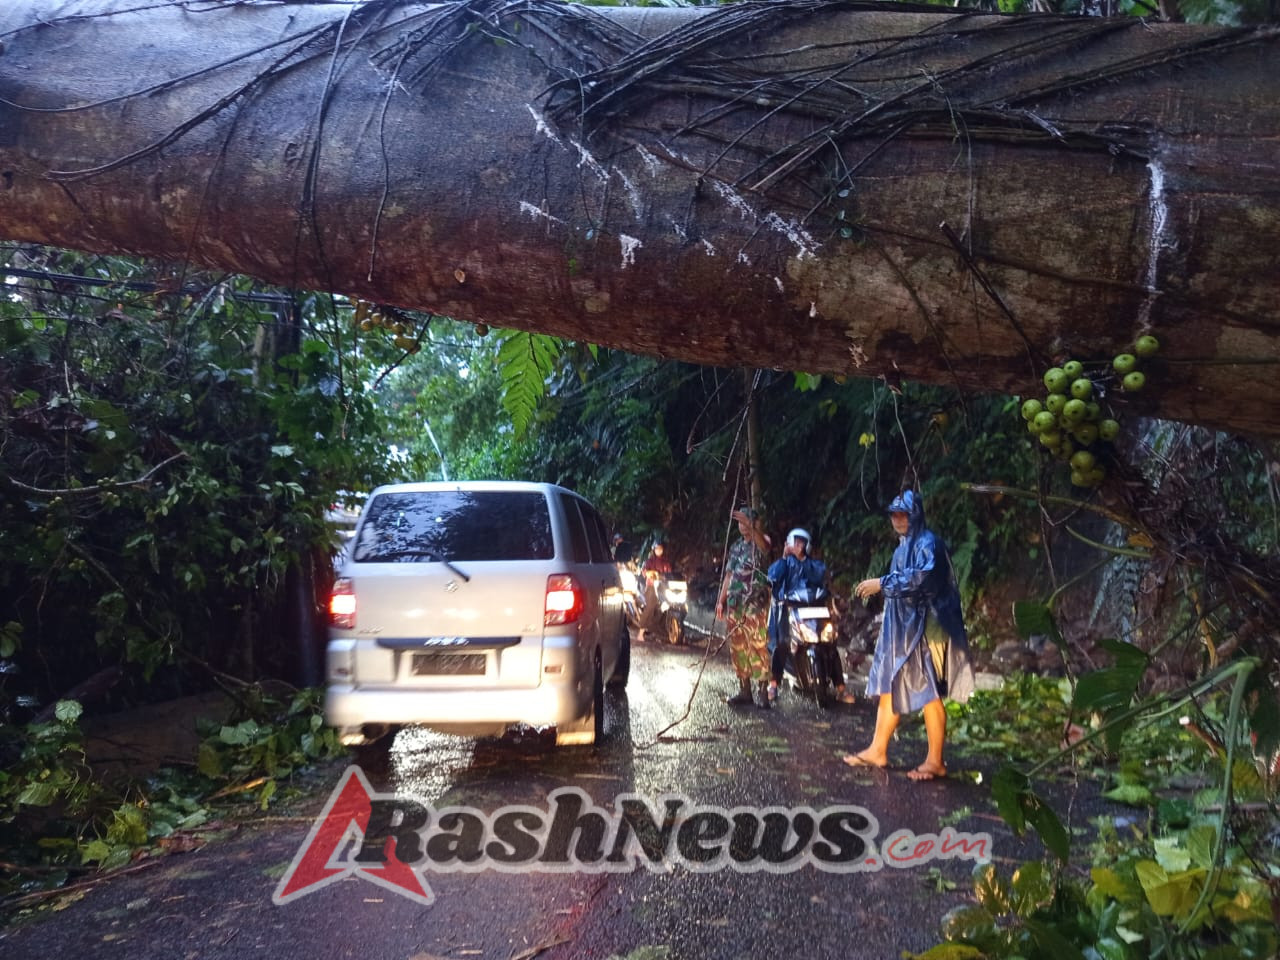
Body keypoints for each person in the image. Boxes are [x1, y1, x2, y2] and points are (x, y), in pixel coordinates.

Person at [843, 489, 974, 780]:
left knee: (927, 690)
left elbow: (921, 579)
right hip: (903, 630)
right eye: (894, 515)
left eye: (903, 514)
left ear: (915, 515)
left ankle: (935, 761)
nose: (898, 520)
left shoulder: (929, 543)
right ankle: (878, 749)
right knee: (890, 685)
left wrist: (882, 583)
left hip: (928, 628)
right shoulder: (902, 548)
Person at [766, 528, 855, 704]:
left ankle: (841, 689)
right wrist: (784, 557)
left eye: (802, 543)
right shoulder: (784, 563)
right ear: (789, 543)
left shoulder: (814, 565)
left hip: (815, 610)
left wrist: (802, 560)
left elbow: (819, 575)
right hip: (791, 609)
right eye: (796, 542)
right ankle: (773, 684)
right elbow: (773, 577)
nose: (798, 546)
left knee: (830, 644)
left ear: (807, 546)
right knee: (783, 643)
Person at [715, 506, 773, 709]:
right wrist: (721, 600)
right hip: (736, 603)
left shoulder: (761, 541)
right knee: (738, 646)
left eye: (745, 521)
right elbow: (729, 575)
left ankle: (763, 692)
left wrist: (752, 527)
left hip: (755, 604)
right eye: (740, 522)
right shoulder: (736, 546)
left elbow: (765, 548)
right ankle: (744, 690)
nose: (742, 525)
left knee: (758, 645)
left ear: (754, 522)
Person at [637, 541, 672, 641]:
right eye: (657, 549)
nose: (659, 550)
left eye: (660, 548)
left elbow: (670, 573)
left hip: (663, 587)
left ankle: (660, 630)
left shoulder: (666, 561)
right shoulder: (650, 561)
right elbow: (645, 572)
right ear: (654, 550)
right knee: (650, 606)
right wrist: (650, 574)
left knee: (668, 605)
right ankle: (640, 633)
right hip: (651, 586)